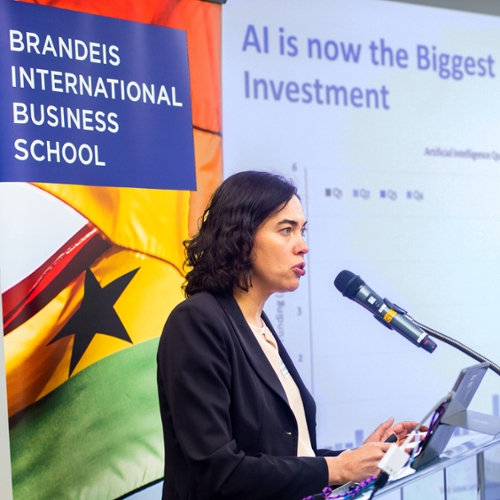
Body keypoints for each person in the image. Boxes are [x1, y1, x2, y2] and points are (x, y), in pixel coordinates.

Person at [157, 170, 417, 500]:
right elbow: (218, 470)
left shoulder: (259, 326)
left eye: (302, 231)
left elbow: (285, 454)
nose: (303, 246)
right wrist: (336, 469)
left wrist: (359, 458)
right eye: (286, 230)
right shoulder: (197, 322)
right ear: (241, 237)